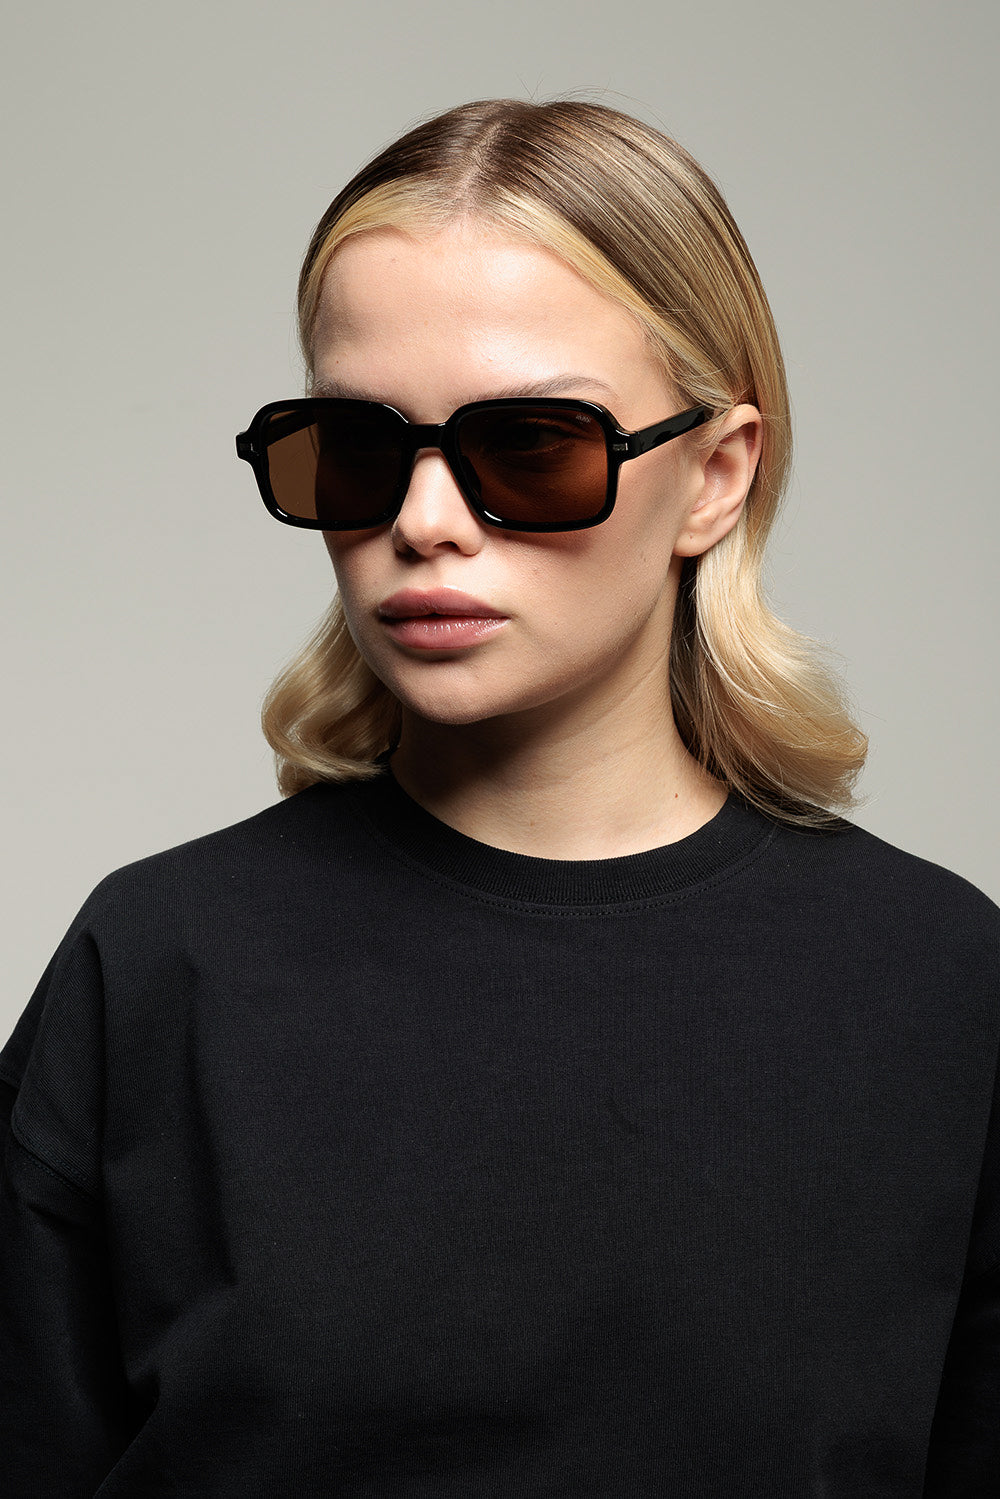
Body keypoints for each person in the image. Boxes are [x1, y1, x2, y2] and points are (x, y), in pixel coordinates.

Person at [1, 97, 997, 1497]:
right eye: (354, 449)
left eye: (532, 446)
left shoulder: (941, 985)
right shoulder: (158, 967)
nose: (422, 522)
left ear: (715, 476)